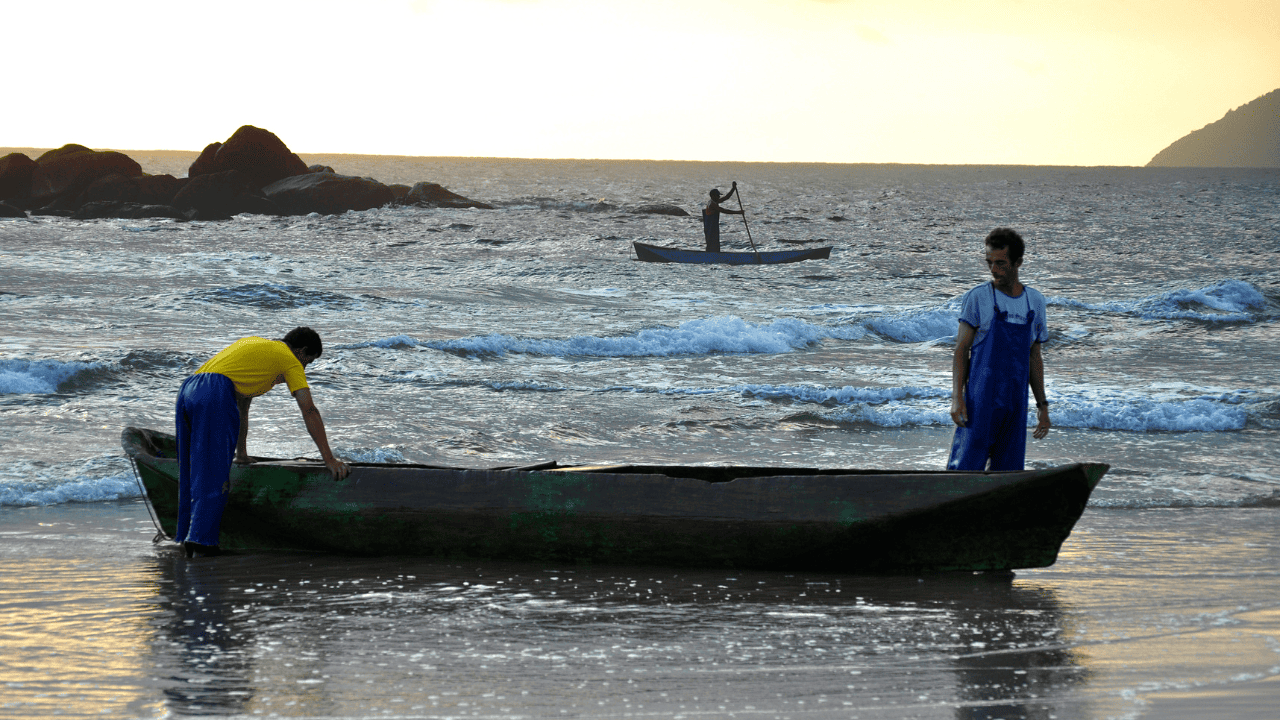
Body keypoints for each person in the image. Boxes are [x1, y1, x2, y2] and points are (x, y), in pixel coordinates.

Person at [174, 326, 349, 557]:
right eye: (309, 362)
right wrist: (329, 459)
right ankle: (202, 542)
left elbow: (241, 409)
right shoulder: (290, 360)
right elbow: (309, 410)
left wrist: (241, 454)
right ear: (302, 351)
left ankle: (187, 534)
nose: (305, 368)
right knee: (215, 470)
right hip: (213, 394)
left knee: (190, 466)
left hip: (189, 389)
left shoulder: (259, 346)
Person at [948, 228, 1051, 471]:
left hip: (1015, 404)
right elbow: (961, 350)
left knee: (1009, 471)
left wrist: (1042, 406)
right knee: (965, 467)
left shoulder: (1034, 301)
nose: (993, 270)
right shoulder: (978, 298)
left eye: (1001, 263)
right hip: (980, 401)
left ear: (1018, 262)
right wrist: (957, 398)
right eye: (989, 262)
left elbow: (1034, 356)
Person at [702, 182, 744, 252]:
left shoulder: (715, 201)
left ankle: (713, 254)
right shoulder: (712, 204)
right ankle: (710, 256)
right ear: (712, 196)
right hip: (710, 227)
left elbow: (726, 197)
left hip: (713, 226)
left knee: (714, 243)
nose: (719, 197)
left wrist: (733, 188)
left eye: (719, 196)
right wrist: (738, 212)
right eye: (717, 196)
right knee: (711, 242)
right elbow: (724, 210)